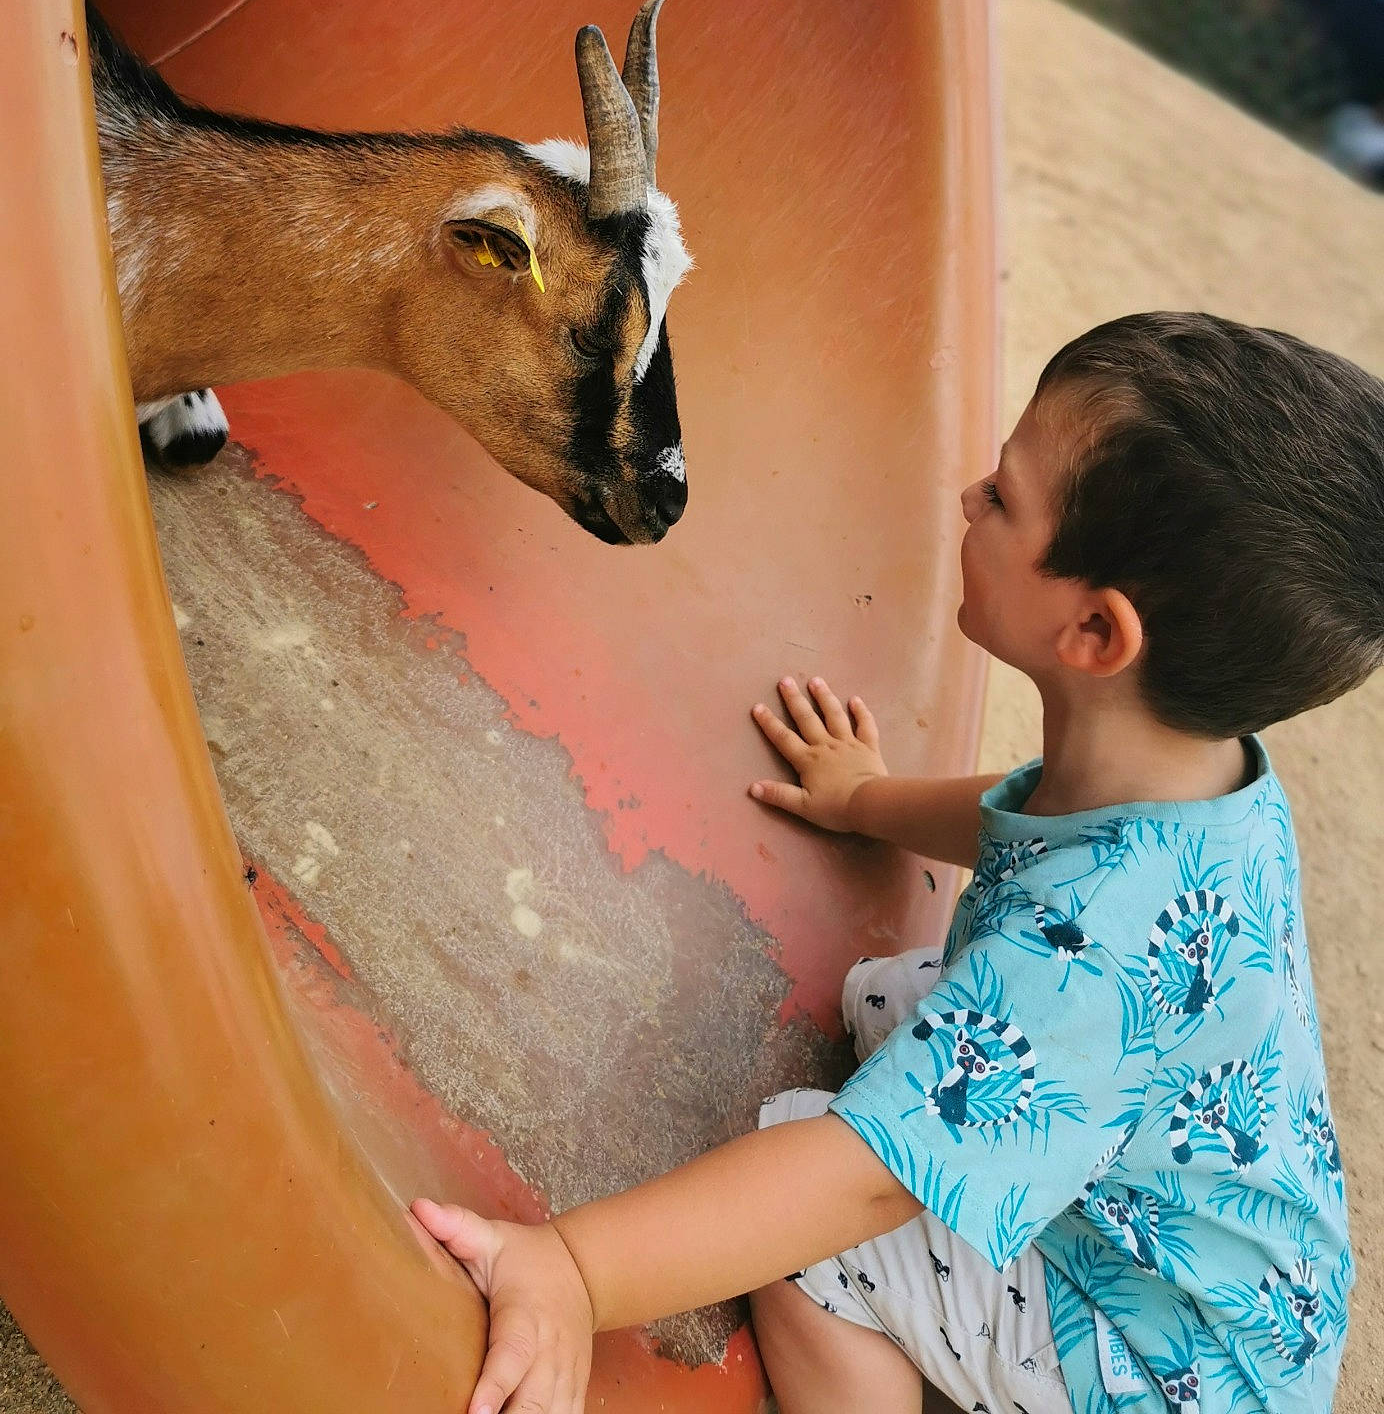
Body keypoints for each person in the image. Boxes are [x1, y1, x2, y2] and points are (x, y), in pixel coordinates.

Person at [415, 313, 1368, 1414]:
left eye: (1004, 498)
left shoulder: (1089, 951)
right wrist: (866, 798)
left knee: (812, 1211)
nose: (969, 497)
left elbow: (864, 1182)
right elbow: (1037, 826)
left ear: (1097, 634)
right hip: (1242, 1291)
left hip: (1153, 1366)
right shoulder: (1192, 775)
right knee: (893, 999)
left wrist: (577, 1271)